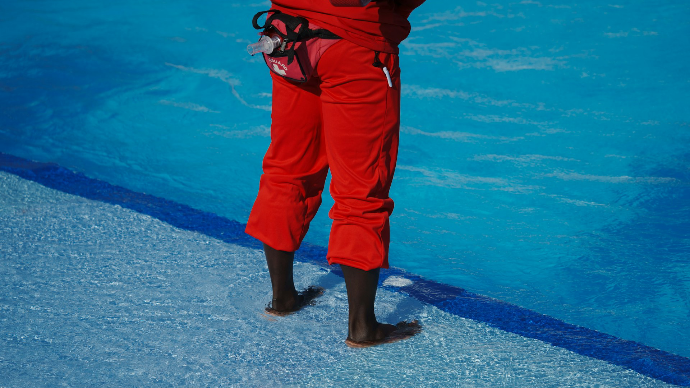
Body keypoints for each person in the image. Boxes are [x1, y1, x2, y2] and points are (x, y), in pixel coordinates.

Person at [245, 0, 425, 347]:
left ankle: (282, 298)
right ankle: (362, 327)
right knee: (361, 188)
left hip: (289, 36)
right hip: (355, 44)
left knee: (288, 168)